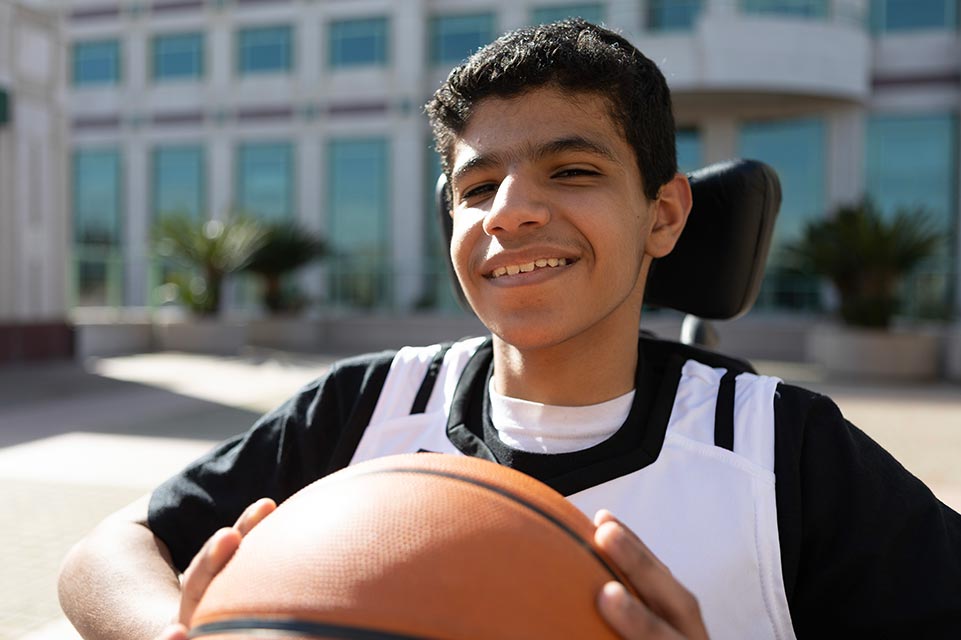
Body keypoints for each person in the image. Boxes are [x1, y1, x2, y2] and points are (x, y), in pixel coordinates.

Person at [59, 18, 961, 640]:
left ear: (664, 216)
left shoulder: (779, 451)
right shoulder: (364, 408)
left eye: (570, 170)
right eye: (477, 188)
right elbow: (103, 554)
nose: (511, 215)